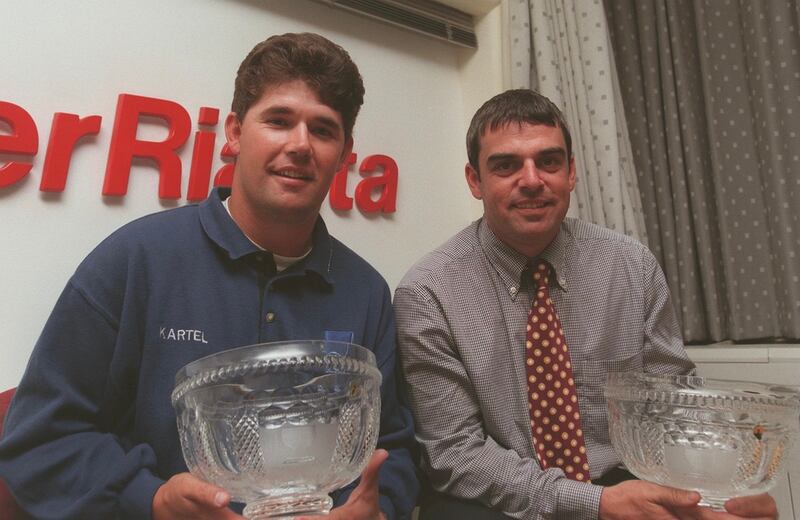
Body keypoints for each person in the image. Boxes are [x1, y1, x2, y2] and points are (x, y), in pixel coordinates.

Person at [0, 33, 418, 520]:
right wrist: (150, 500)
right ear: (236, 133)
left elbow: (394, 448)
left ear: (345, 153)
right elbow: (40, 439)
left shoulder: (366, 292)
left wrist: (377, 509)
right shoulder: (134, 261)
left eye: (323, 130)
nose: (300, 145)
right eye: (279, 121)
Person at [394, 89, 777, 520]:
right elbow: (454, 454)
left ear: (571, 172)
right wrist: (592, 505)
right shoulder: (427, 293)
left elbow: (675, 407)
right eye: (506, 165)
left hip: (624, 480)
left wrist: (719, 489)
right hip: (497, 497)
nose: (532, 179)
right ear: (474, 180)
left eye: (549, 161)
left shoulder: (631, 266)